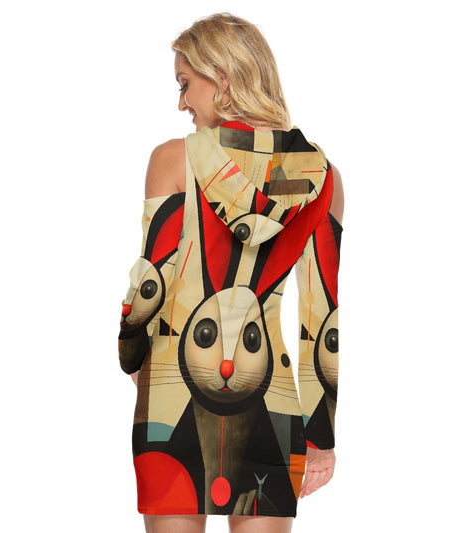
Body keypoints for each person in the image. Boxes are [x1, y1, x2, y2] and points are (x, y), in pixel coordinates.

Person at [117, 12, 344, 533]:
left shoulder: (173, 160)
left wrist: (131, 352)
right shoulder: (322, 177)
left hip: (172, 390)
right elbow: (323, 316)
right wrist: (321, 433)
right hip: (273, 400)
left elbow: (150, 282)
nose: (181, 103)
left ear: (221, 78)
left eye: (184, 84)